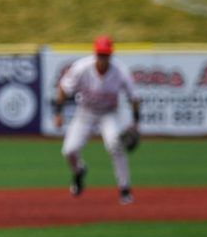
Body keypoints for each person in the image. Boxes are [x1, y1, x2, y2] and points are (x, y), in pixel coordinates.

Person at [53, 35, 142, 204]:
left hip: (109, 113)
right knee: (69, 150)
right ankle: (79, 171)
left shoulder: (120, 71)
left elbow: (134, 97)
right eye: (100, 54)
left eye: (106, 54)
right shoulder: (82, 68)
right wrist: (58, 113)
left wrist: (136, 123)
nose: (103, 57)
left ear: (111, 55)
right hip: (85, 112)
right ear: (95, 54)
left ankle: (125, 189)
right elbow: (63, 88)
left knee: (115, 146)